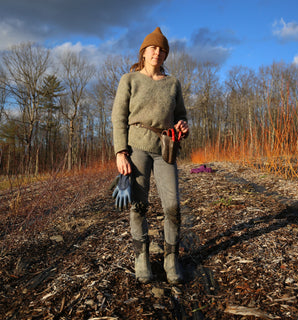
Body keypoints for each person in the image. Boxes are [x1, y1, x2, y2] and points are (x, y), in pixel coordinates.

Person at [111, 27, 189, 284]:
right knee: (139, 205)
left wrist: (182, 126)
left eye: (162, 49)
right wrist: (121, 152)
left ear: (166, 55)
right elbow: (118, 117)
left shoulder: (172, 83)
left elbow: (181, 116)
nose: (157, 52)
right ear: (143, 53)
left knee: (173, 206)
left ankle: (170, 258)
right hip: (137, 148)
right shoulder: (129, 80)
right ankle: (141, 257)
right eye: (153, 48)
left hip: (165, 149)